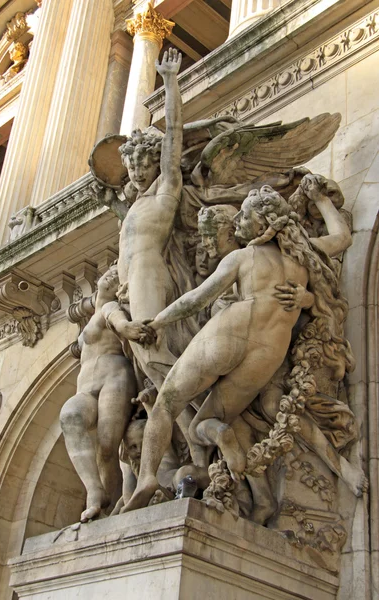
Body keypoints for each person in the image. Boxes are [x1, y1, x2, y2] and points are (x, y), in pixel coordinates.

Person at [121, 184, 363, 513]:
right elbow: (343, 238)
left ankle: (148, 477)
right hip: (269, 351)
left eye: (244, 217)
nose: (238, 222)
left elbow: (196, 299)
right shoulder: (304, 257)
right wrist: (320, 201)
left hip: (231, 331)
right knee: (210, 420)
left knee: (166, 404)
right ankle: (222, 432)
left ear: (262, 223)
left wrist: (158, 321)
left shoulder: (244, 256)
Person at [60, 265, 152, 522]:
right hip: (87, 386)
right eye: (108, 273)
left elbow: (118, 322)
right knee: (70, 416)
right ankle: (95, 490)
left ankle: (105, 502)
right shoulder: (93, 315)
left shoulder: (111, 308)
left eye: (116, 274)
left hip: (115, 378)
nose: (110, 275)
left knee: (108, 446)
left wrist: (127, 329)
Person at [116, 48, 183, 389]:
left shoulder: (165, 189)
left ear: (156, 163)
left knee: (153, 354)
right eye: (132, 167)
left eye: (144, 164)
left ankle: (205, 419)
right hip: (126, 286)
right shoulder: (134, 207)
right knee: (150, 367)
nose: (138, 172)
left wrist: (170, 81)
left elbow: (173, 133)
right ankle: (192, 426)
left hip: (147, 273)